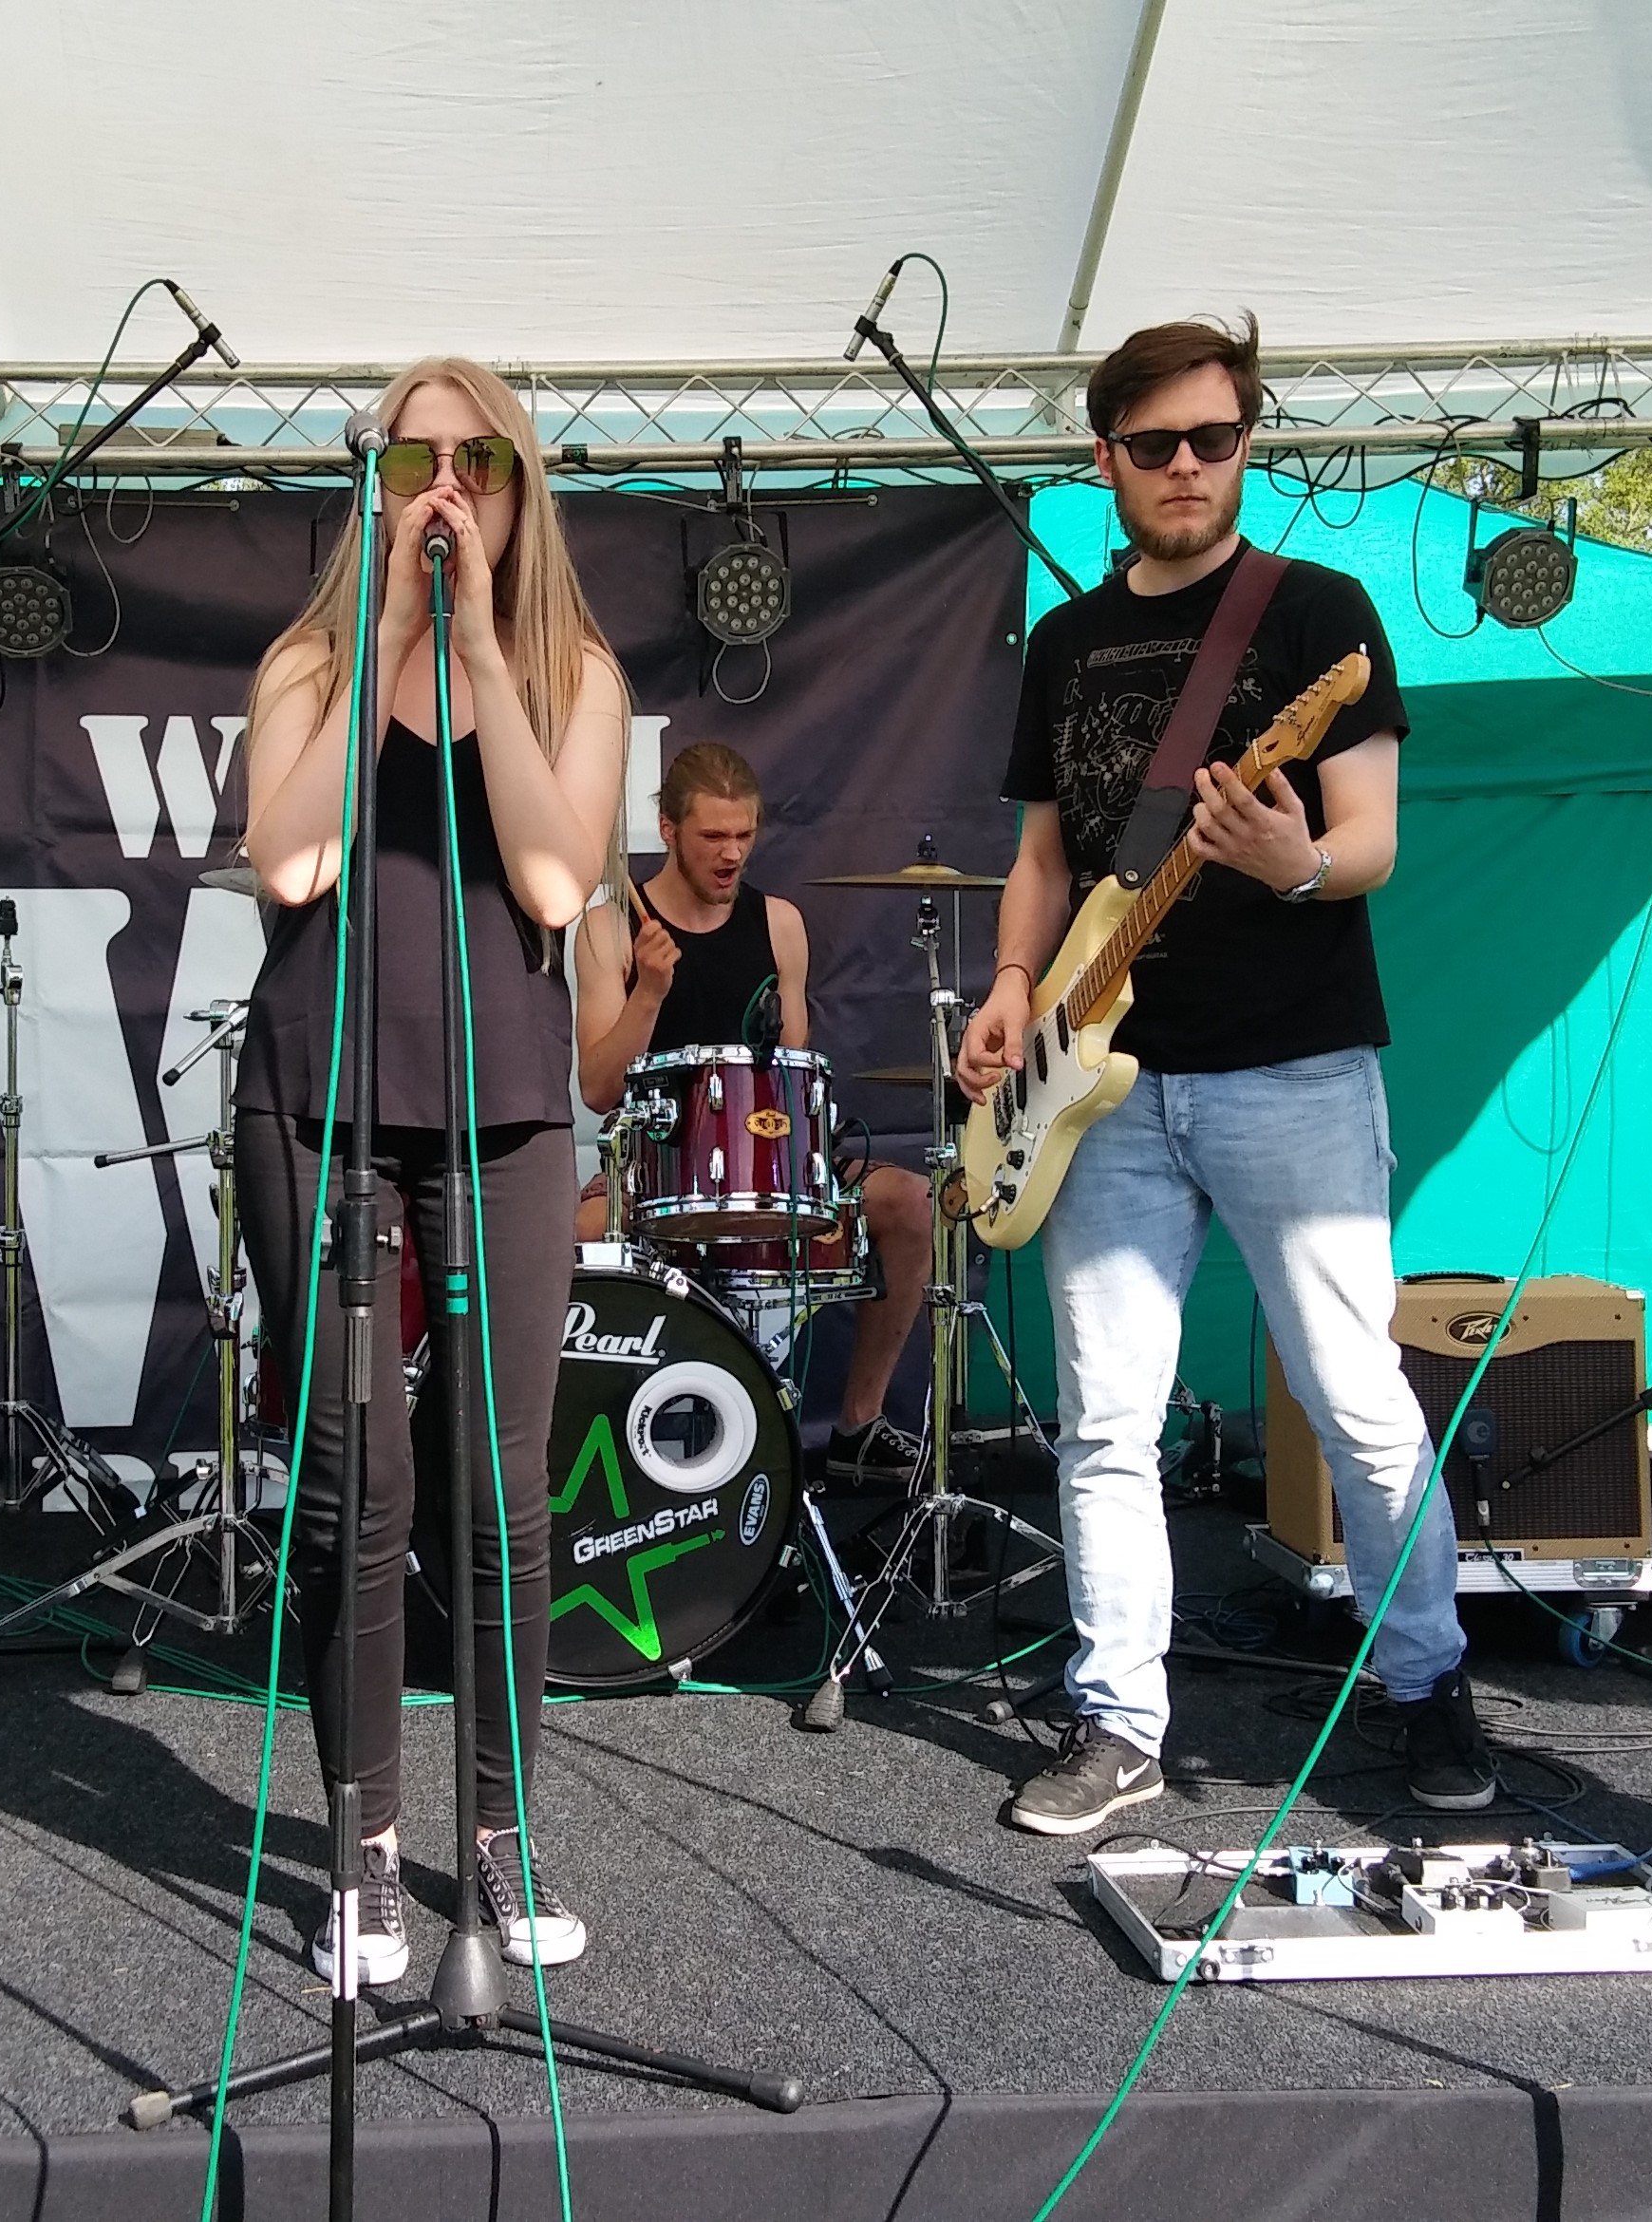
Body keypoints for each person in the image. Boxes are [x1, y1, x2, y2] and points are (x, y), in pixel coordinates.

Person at [956, 316, 1495, 1836]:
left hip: (1292, 1065)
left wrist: (1293, 860)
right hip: (1098, 1080)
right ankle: (1118, 1719)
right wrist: (1012, 989)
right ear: (1107, 460)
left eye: (1216, 438)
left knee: (1355, 1396)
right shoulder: (1066, 643)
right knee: (1104, 1420)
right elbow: (1044, 857)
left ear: (1248, 443)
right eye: (1156, 445)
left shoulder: (1318, 613)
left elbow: (1372, 840)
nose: (1188, 466)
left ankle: (1426, 1680)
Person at [236, 357, 632, 1982]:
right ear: (373, 487)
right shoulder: (308, 660)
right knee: (355, 1489)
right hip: (319, 1107)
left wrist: (474, 653)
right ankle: (365, 1846)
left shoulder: (573, 674)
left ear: (525, 491)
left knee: (498, 1486)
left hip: (506, 1115)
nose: (447, 487)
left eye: (481, 462)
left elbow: (553, 882)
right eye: (413, 463)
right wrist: (393, 631)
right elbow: (290, 861)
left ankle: (497, 1830)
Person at [572, 742, 939, 1477]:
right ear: (669, 830)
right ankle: (591, 1460)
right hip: (656, 1174)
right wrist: (648, 994)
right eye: (713, 836)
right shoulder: (610, 928)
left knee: (911, 1203)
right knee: (569, 1239)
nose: (732, 853)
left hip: (773, 1169)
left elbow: (793, 1078)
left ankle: (859, 1425)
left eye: (744, 834)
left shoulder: (780, 924)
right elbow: (599, 1089)